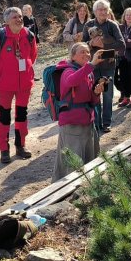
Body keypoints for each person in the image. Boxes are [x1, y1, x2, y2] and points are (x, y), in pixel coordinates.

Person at [0, 7, 38, 163]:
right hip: (5, 85)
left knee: (22, 115)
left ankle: (20, 145)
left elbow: (33, 56)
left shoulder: (29, 35)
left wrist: (26, 71)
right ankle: (4, 149)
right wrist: (1, 76)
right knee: (4, 117)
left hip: (24, 84)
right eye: (15, 17)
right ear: (7, 21)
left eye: (20, 16)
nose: (19, 19)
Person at [52, 43, 105, 180]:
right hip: (72, 125)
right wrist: (91, 65)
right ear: (73, 56)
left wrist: (96, 93)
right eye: (82, 52)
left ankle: (88, 186)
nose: (87, 54)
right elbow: (71, 81)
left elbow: (92, 101)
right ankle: (65, 189)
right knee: (72, 164)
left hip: (88, 122)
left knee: (90, 158)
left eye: (88, 52)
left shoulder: (89, 73)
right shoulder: (67, 71)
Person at [81, 0, 124, 133]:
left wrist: (103, 45)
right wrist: (91, 44)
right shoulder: (88, 25)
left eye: (105, 9)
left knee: (107, 94)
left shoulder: (112, 25)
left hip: (108, 66)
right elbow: (81, 45)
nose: (103, 12)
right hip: (93, 66)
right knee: (94, 94)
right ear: (95, 11)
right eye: (100, 9)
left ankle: (106, 123)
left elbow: (121, 45)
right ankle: (96, 123)